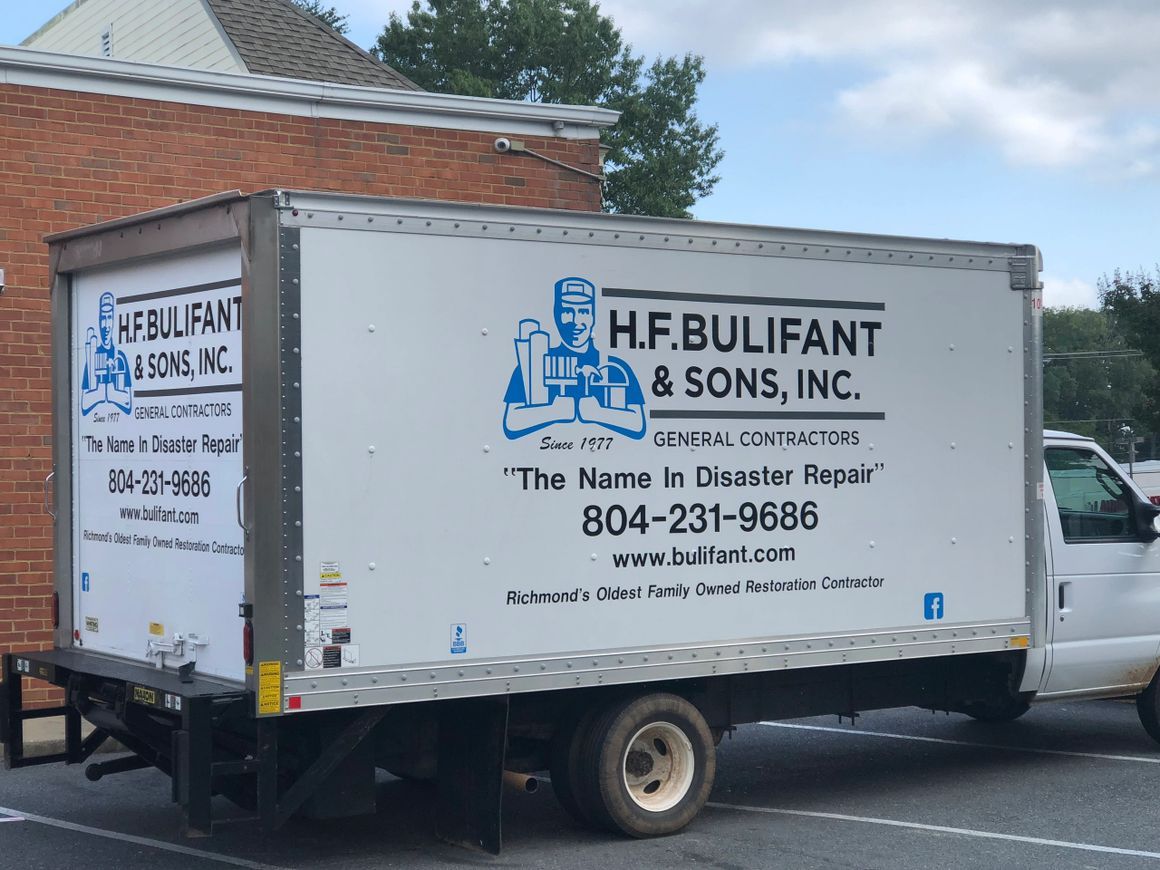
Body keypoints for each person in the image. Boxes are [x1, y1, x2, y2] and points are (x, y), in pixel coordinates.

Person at [503, 277, 645, 439]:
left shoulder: (615, 368)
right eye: (567, 312)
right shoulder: (532, 363)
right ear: (556, 315)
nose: (576, 321)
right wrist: (554, 411)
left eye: (583, 312)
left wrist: (597, 413)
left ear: (593, 317)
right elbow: (511, 422)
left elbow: (638, 423)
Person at [81, 291, 132, 415]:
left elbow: (128, 402)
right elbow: (84, 403)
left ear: (114, 320)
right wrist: (108, 393)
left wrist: (101, 393)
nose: (106, 325)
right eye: (103, 318)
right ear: (98, 320)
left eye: (109, 318)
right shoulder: (92, 356)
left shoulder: (120, 357)